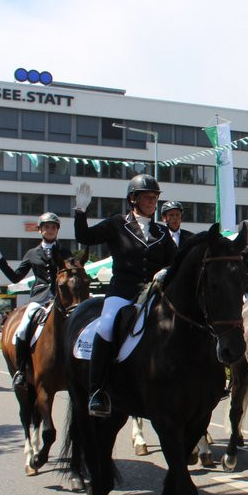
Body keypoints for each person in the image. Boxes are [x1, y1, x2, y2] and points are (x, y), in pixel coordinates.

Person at [74, 174, 176, 417]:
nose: (152, 201)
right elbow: (84, 238)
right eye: (147, 197)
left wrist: (167, 270)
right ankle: (97, 390)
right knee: (107, 326)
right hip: (123, 290)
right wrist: (80, 211)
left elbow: (176, 261)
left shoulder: (162, 232)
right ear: (133, 199)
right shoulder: (116, 224)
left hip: (154, 292)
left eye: (155, 197)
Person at [0, 212, 69, 388]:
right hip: (40, 298)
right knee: (23, 328)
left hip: (61, 299)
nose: (50, 230)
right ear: (40, 230)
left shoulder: (65, 252)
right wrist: (0, 260)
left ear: (57, 230)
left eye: (53, 227)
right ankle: (20, 371)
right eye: (47, 227)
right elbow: (16, 277)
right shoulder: (32, 253)